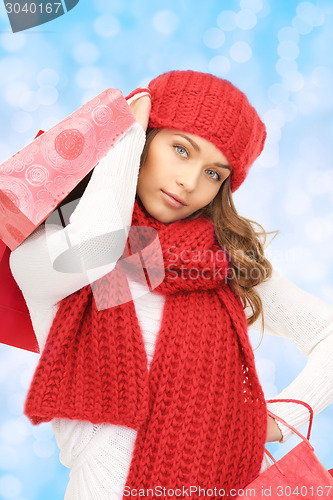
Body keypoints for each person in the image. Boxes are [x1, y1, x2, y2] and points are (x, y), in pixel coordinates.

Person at [9, 70, 333, 499]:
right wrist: (123, 129)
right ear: (144, 140)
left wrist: (280, 417)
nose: (189, 182)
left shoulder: (222, 267)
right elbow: (98, 244)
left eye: (215, 174)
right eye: (181, 149)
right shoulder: (50, 257)